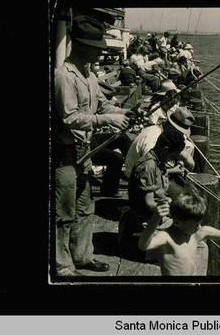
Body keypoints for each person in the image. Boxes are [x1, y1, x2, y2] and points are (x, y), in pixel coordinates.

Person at [53, 15, 131, 277]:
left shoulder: (88, 74)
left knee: (85, 207)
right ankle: (62, 266)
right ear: (83, 46)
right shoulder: (65, 76)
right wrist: (105, 119)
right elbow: (69, 117)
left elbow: (100, 104)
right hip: (64, 156)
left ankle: (82, 256)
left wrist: (121, 112)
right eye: (97, 48)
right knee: (64, 213)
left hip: (84, 154)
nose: (100, 52)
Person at [118, 129, 186, 255]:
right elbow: (149, 203)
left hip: (152, 217)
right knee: (182, 244)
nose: (172, 159)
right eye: (172, 156)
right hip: (144, 222)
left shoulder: (155, 160)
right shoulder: (148, 166)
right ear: (165, 149)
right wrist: (173, 211)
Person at [124, 105, 195, 180]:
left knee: (189, 146)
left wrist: (180, 164)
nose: (181, 134)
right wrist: (172, 171)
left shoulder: (167, 133)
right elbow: (148, 167)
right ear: (172, 127)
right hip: (137, 175)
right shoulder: (153, 137)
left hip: (151, 169)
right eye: (180, 131)